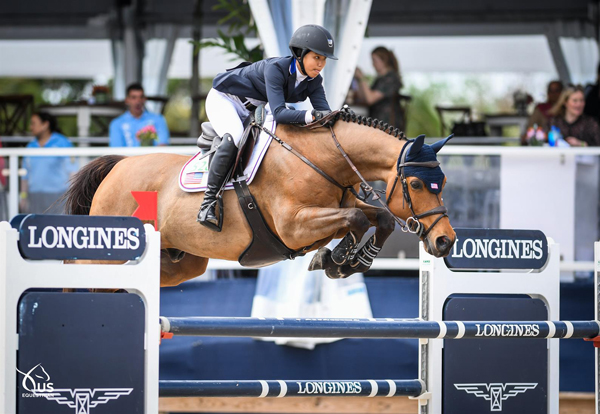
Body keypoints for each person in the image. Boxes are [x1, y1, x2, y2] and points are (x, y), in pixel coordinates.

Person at [198, 24, 337, 232]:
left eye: (324, 59)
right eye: (317, 57)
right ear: (300, 54)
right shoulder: (277, 69)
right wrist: (310, 116)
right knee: (235, 136)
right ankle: (208, 203)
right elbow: (280, 113)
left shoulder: (314, 81)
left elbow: (324, 115)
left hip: (250, 108)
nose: (321, 64)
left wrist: (338, 119)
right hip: (224, 98)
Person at [20, 112, 77, 214]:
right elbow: (25, 175)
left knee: (57, 227)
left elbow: (72, 171)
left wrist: (73, 197)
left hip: (58, 196)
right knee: (36, 227)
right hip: (34, 195)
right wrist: (23, 196)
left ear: (45, 125)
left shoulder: (62, 143)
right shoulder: (30, 146)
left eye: (33, 123)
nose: (30, 127)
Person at [353, 46, 404, 129]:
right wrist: (359, 80)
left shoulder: (390, 79)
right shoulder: (381, 79)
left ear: (384, 60)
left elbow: (370, 99)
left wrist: (362, 78)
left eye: (374, 60)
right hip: (378, 121)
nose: (373, 64)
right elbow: (363, 97)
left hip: (387, 124)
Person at [109, 83, 170, 147]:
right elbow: (116, 151)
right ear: (127, 100)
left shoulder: (158, 119)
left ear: (144, 99)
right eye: (133, 97)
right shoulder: (116, 123)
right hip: (127, 157)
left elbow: (162, 146)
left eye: (141, 97)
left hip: (152, 157)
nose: (138, 101)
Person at [521, 80, 563, 145]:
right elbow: (530, 130)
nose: (553, 94)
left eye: (557, 90)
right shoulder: (540, 109)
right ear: (547, 93)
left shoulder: (567, 110)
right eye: (551, 91)